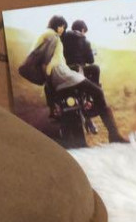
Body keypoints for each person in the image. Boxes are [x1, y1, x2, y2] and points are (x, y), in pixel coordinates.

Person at [27, 15, 128, 144]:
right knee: (97, 85)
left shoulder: (56, 39)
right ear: (83, 29)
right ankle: (113, 133)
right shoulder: (82, 39)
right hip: (73, 74)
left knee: (48, 87)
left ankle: (54, 110)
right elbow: (90, 60)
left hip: (56, 76)